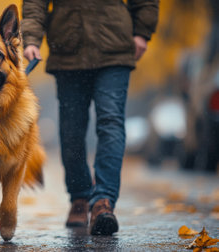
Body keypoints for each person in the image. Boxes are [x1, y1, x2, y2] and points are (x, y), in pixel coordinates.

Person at [21, 0, 159, 235]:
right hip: (67, 50)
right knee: (71, 129)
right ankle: (80, 196)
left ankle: (103, 201)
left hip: (114, 47)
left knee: (111, 122)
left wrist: (142, 32)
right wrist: (32, 39)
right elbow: (35, 3)